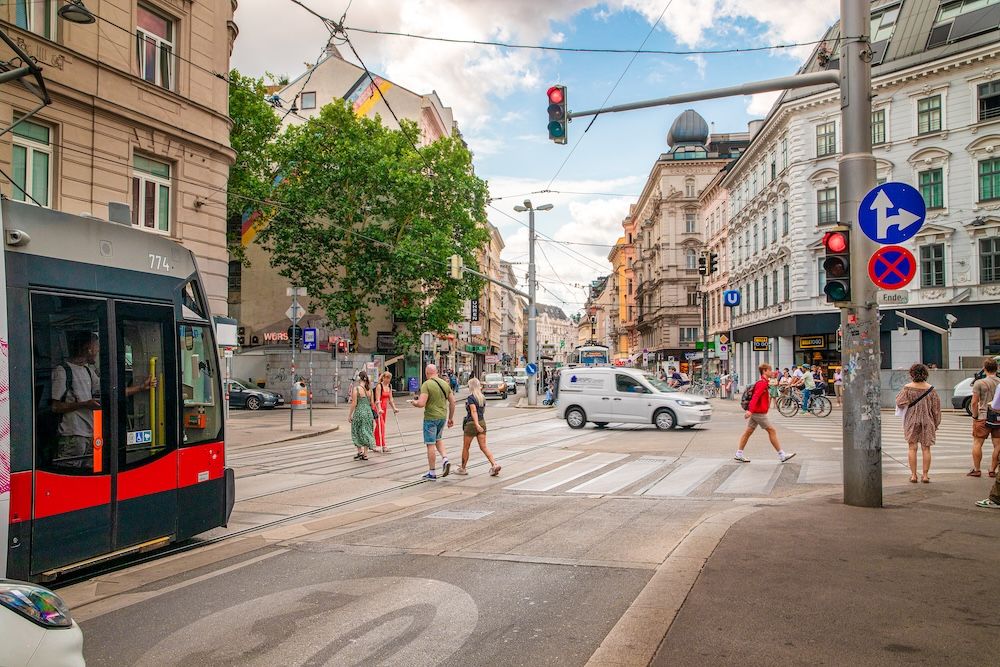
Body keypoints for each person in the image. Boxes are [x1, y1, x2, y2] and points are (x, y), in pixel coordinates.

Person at [52, 332, 155, 468]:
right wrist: (84, 404)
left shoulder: (88, 371)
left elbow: (111, 392)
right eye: (96, 348)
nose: (97, 351)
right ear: (88, 348)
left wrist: (141, 388)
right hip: (73, 435)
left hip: (91, 434)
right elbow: (55, 406)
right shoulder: (62, 371)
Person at [735, 362, 796, 464]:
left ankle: (739, 454)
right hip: (758, 413)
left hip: (757, 412)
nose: (771, 372)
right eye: (769, 370)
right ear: (764, 371)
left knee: (748, 432)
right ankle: (782, 455)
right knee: (771, 430)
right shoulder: (762, 383)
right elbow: (755, 397)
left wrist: (751, 411)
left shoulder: (764, 382)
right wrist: (750, 410)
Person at [894, 363, 941, 483]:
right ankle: (925, 476)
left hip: (912, 420)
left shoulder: (907, 388)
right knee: (926, 448)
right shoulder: (931, 389)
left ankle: (914, 475)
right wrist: (936, 423)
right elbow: (936, 409)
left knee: (912, 448)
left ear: (912, 374)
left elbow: (899, 402)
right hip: (927, 420)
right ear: (925, 374)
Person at [409, 364, 455, 480]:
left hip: (431, 417)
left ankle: (432, 472)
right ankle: (445, 458)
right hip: (442, 417)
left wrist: (413, 402)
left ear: (427, 373)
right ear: (437, 372)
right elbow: (452, 402)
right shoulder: (445, 384)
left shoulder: (427, 384)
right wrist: (450, 418)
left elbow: (421, 404)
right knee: (438, 439)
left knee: (430, 444)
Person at [455, 378, 501, 477]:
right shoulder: (482, 398)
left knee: (466, 447)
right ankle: (494, 464)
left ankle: (463, 468)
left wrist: (476, 424)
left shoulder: (471, 398)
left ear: (471, 386)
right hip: (482, 422)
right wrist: (479, 423)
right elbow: (481, 411)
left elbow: (473, 411)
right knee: (484, 447)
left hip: (472, 424)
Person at [968, 358, 1000, 478]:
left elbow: (974, 402)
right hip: (998, 417)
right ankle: (992, 469)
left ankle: (977, 469)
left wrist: (975, 415)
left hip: (982, 416)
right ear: (997, 369)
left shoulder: (979, 383)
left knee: (977, 443)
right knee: (998, 445)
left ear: (985, 369)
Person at [348, 371, 376, 461]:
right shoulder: (370, 390)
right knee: (367, 431)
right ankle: (365, 454)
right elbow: (372, 403)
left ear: (359, 378)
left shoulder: (356, 389)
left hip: (359, 412)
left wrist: (350, 415)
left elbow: (354, 403)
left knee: (357, 430)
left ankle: (359, 451)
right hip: (368, 413)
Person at [373, 371, 398, 454]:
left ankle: (381, 445)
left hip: (384, 409)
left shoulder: (389, 386)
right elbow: (377, 400)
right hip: (377, 408)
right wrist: (379, 409)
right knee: (381, 425)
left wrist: (394, 408)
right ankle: (379, 445)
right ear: (383, 378)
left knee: (380, 426)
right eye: (386, 377)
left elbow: (391, 399)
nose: (387, 380)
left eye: (389, 378)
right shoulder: (379, 386)